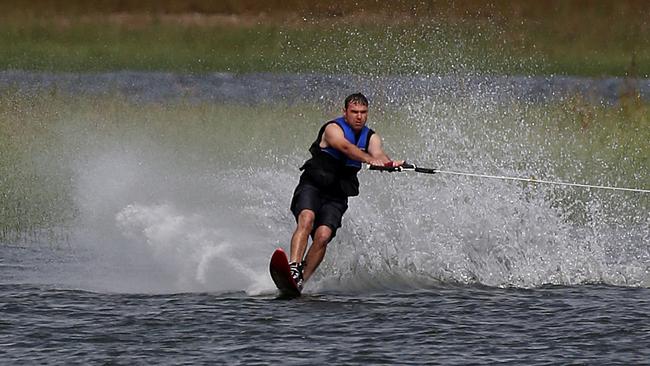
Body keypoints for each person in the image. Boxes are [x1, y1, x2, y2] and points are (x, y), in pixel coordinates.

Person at [288, 93, 403, 290]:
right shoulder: (333, 129)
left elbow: (379, 155)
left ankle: (299, 282)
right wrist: (368, 160)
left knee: (323, 236)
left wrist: (390, 163)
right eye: (354, 112)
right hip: (313, 185)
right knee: (306, 218)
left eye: (363, 113)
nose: (359, 116)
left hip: (337, 194)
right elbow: (345, 148)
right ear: (345, 112)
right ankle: (293, 267)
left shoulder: (371, 137)